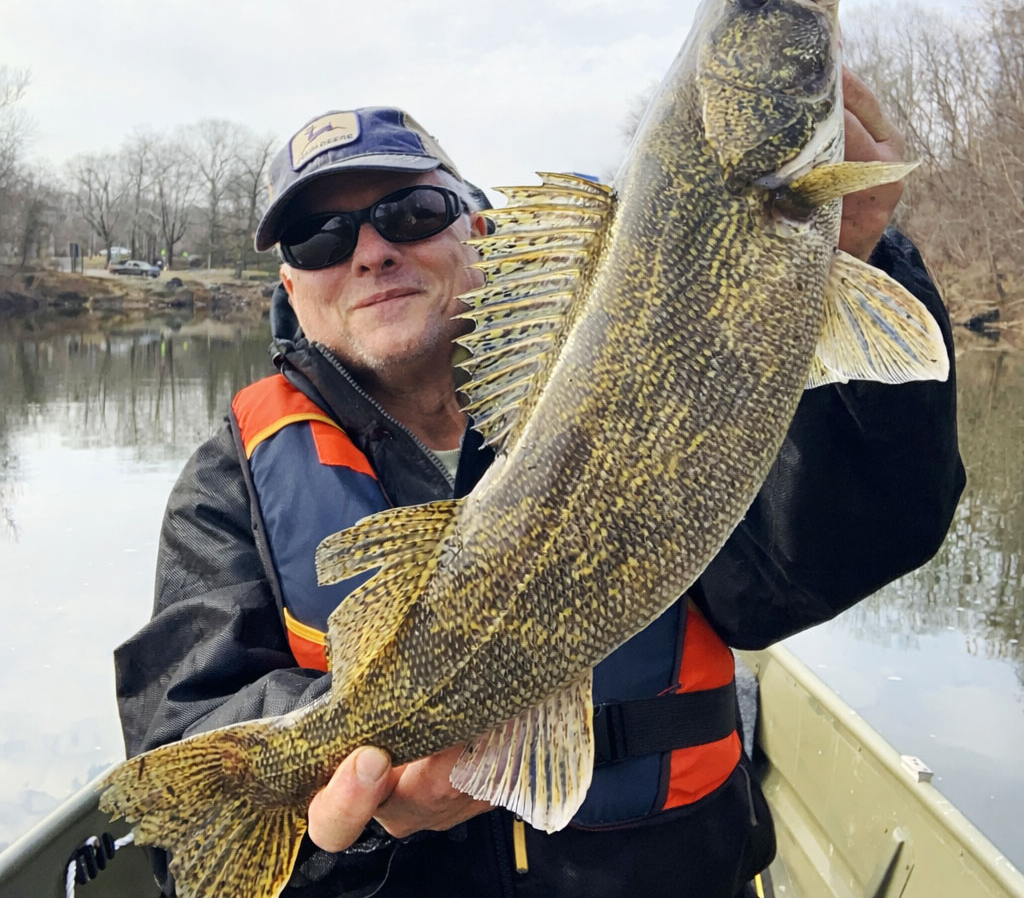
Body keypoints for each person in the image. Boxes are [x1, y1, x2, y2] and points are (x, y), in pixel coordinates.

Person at [114, 90, 965, 898]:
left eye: (411, 214)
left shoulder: (643, 379)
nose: (371, 252)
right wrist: (366, 811)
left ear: (477, 230)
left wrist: (843, 261)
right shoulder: (230, 484)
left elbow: (820, 558)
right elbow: (185, 777)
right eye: (316, 239)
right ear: (292, 289)